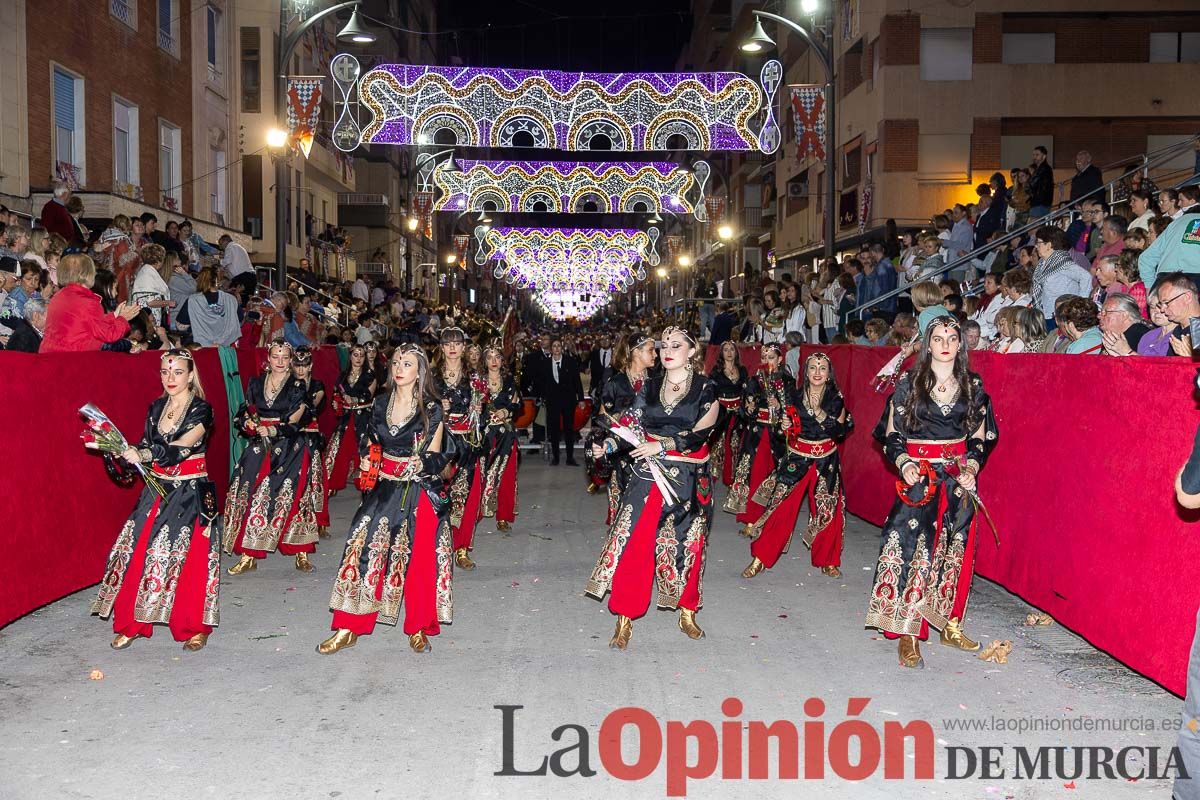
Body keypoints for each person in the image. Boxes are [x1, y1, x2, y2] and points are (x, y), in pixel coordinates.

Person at [866, 317, 998, 668]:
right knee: (913, 548)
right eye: (937, 338)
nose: (944, 344)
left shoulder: (972, 384)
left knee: (957, 549)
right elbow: (891, 433)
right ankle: (908, 632)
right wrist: (904, 463)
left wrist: (972, 467)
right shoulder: (910, 383)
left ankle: (949, 623)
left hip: (957, 478)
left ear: (960, 344)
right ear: (927, 344)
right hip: (920, 477)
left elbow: (981, 436)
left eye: (951, 339)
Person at [586, 326, 718, 649]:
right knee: (634, 542)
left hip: (689, 477)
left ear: (692, 351)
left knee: (690, 543)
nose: (667, 350)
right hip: (649, 473)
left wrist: (664, 445)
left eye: (676, 345)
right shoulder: (650, 386)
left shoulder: (705, 389)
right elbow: (631, 424)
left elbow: (702, 432)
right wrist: (608, 445)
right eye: (663, 346)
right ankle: (624, 618)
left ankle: (687, 612)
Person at [318, 344, 454, 655]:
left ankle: (418, 627)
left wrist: (422, 464)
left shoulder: (431, 408)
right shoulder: (380, 403)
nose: (399, 368)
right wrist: (367, 458)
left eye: (406, 363)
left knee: (420, 559)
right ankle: (348, 626)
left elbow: (438, 453)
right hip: (385, 486)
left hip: (418, 489)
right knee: (361, 546)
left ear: (419, 371)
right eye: (395, 362)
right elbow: (370, 439)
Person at [89, 349, 220, 651]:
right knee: (138, 546)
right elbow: (148, 444)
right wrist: (122, 449)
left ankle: (194, 626)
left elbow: (181, 447)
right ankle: (133, 622)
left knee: (192, 558)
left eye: (177, 372)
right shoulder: (156, 407)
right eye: (164, 372)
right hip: (157, 487)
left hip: (189, 492)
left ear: (190, 375)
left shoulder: (202, 410)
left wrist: (145, 454)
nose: (170, 378)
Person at [742, 352, 852, 581]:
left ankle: (828, 560)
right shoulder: (793, 394)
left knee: (827, 510)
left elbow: (840, 431)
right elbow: (787, 429)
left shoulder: (835, 398)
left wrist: (819, 412)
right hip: (798, 458)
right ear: (806, 371)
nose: (818, 372)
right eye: (813, 367)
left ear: (829, 373)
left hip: (825, 460)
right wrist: (784, 425)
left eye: (822, 368)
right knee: (779, 507)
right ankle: (760, 558)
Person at [223, 341, 318, 575]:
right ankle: (248, 554)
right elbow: (245, 410)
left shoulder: (297, 385)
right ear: (269, 358)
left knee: (294, 498)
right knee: (251, 493)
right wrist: (247, 423)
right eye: (276, 356)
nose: (280, 361)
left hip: (290, 448)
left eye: (285, 357)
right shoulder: (255, 383)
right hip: (259, 447)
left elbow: (299, 420)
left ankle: (301, 550)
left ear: (290, 360)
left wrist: (274, 430)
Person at [432, 326, 485, 570]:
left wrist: (478, 412)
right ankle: (436, 546)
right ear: (442, 348)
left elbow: (481, 418)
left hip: (466, 443)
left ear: (463, 347)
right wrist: (436, 407)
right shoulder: (431, 377)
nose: (452, 347)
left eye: (457, 343)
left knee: (464, 495)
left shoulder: (474, 378)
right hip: (439, 443)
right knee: (436, 496)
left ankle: (461, 548)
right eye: (447, 343)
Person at [592, 332, 656, 521]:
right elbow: (603, 418)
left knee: (649, 507)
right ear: (636, 352)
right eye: (651, 350)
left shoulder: (656, 382)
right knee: (623, 504)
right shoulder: (616, 383)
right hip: (621, 452)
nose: (656, 355)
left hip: (651, 451)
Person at [725, 343, 789, 533]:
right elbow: (745, 409)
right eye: (763, 357)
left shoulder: (788, 382)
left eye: (771, 357)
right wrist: (750, 409)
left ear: (780, 359)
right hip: (758, 434)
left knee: (776, 476)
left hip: (777, 435)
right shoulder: (754, 381)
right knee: (754, 474)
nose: (766, 361)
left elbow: (794, 409)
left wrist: (779, 406)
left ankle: (771, 518)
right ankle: (751, 518)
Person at [41, 255, 139, 352]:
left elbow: (87, 323)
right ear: (86, 274)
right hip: (73, 361)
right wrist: (123, 319)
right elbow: (109, 335)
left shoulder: (57, 297)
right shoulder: (87, 302)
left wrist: (114, 316)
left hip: (51, 357)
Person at [324, 343, 377, 496]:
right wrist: (338, 401)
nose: (359, 358)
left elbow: (369, 394)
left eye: (361, 355)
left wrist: (356, 399)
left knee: (365, 450)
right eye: (355, 355)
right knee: (336, 449)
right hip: (346, 418)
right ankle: (331, 483)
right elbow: (335, 393)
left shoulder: (369, 375)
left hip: (363, 418)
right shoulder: (342, 375)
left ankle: (367, 483)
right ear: (350, 356)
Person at [480, 340, 521, 532]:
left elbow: (517, 404)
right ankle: (477, 511)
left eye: (497, 357)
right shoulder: (477, 381)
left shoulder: (510, 380)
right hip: (483, 436)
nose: (493, 361)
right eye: (489, 357)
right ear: (484, 360)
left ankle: (503, 516)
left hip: (506, 435)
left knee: (506, 474)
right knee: (480, 474)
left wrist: (507, 411)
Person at [292, 347, 331, 539]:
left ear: (310, 366)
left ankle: (320, 520)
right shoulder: (287, 384)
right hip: (290, 437)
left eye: (304, 365)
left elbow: (309, 409)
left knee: (316, 479)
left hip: (310, 436)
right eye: (297, 365)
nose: (300, 370)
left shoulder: (317, 386)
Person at [1031, 226, 1091, 330]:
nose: (1036, 246)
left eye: (1038, 243)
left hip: (1062, 316)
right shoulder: (1042, 264)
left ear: (1049, 245)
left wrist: (1080, 305)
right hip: (1047, 314)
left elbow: (1086, 277)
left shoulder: (1062, 263)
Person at [537, 337, 585, 466]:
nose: (556, 348)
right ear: (551, 349)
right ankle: (556, 457)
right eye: (554, 346)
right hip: (552, 401)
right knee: (554, 430)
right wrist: (543, 397)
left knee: (569, 430)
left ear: (562, 348)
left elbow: (577, 381)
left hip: (568, 401)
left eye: (558, 346)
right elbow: (542, 382)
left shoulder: (570, 361)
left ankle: (570, 458)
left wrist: (580, 398)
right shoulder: (545, 363)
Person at [709, 340, 748, 488]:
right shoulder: (716, 371)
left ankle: (732, 479)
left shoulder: (742, 370)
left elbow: (747, 391)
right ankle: (710, 479)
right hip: (721, 413)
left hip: (738, 414)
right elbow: (710, 392)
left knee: (735, 445)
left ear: (736, 352)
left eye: (732, 349)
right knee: (718, 446)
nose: (729, 352)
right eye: (726, 350)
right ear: (722, 353)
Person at [1137, 202, 1200, 288]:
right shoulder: (1175, 223)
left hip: (1166, 279)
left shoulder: (1176, 223)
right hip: (1195, 279)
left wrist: (1150, 288)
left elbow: (1146, 258)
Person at [177, 266, 241, 347]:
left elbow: (181, 326)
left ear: (199, 281)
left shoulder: (193, 300)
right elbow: (239, 320)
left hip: (200, 347)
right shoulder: (231, 299)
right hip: (227, 348)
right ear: (217, 281)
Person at [131, 244, 174, 326]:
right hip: (149, 318)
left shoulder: (148, 272)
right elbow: (150, 302)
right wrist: (168, 302)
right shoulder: (147, 275)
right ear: (158, 260)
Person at [219, 234, 256, 304]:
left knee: (231, 296)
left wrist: (219, 260)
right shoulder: (238, 247)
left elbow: (226, 261)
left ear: (225, 241)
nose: (221, 247)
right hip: (251, 277)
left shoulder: (230, 247)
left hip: (243, 276)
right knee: (246, 302)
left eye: (221, 244)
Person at [1028, 145, 1054, 218]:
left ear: (1044, 156)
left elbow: (1033, 185)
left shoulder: (1044, 169)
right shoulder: (1040, 169)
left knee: (1035, 227)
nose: (1034, 157)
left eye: (1037, 155)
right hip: (1039, 202)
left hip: (1040, 203)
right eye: (1033, 155)